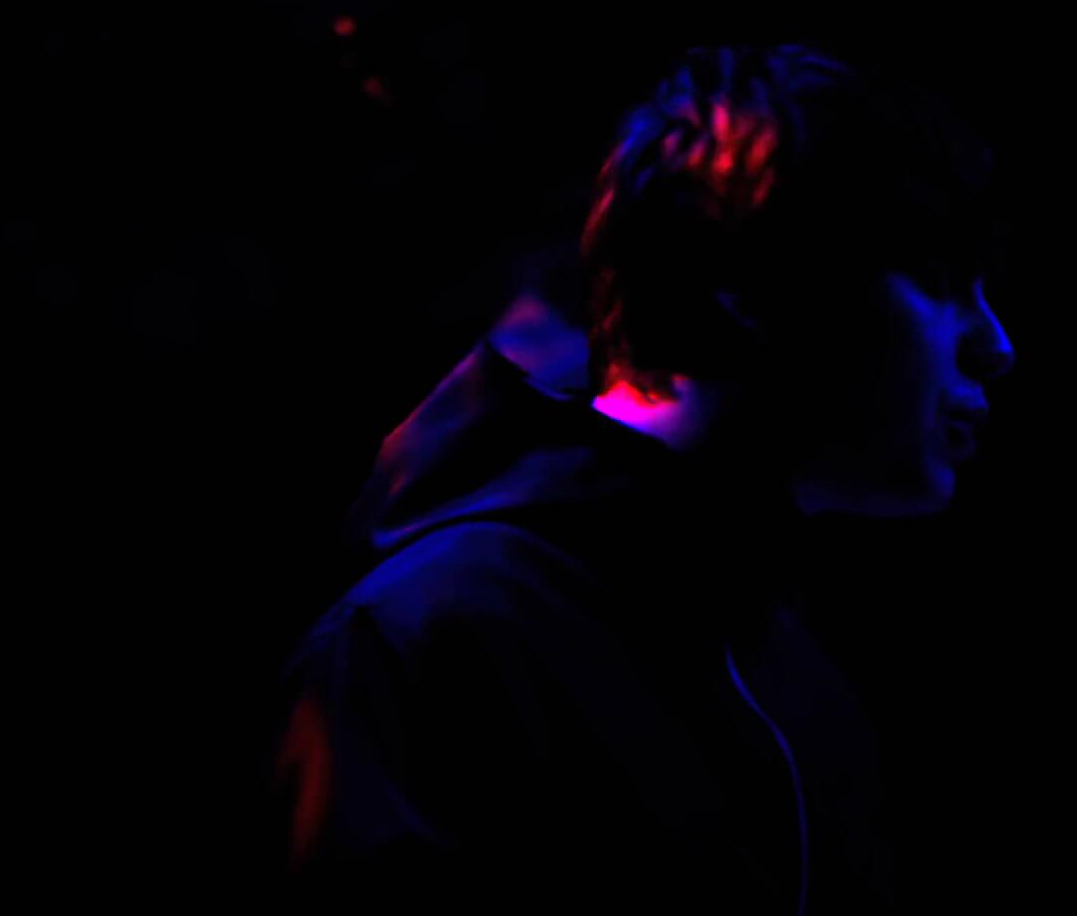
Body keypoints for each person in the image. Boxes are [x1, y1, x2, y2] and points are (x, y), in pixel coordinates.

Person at [270, 45, 1014, 912]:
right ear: (744, 278)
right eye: (938, 279)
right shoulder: (428, 646)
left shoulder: (797, 679)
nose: (996, 345)